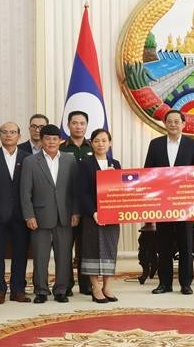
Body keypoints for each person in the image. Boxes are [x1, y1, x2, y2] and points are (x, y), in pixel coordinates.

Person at [145, 109, 194, 295]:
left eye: (177, 121)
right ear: (165, 123)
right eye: (169, 121)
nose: (173, 124)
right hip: (162, 204)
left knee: (186, 243)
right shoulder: (155, 145)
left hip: (185, 203)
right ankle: (165, 283)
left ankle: (186, 283)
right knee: (164, 244)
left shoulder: (192, 145)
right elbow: (148, 172)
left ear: (183, 124)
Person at [21, 124, 80, 304]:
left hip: (65, 215)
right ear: (41, 141)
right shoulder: (31, 161)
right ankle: (41, 290)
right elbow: (25, 192)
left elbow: (75, 190)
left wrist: (76, 212)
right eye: (48, 139)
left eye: (55, 139)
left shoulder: (70, 160)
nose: (51, 142)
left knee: (64, 256)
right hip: (40, 217)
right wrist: (29, 215)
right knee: (40, 256)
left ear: (60, 140)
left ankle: (61, 290)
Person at [0, 122, 31, 304]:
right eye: (5, 132)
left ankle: (18, 290)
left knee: (20, 254)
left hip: (20, 215)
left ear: (19, 135)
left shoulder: (27, 158)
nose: (8, 135)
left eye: (12, 132)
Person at [79, 129, 121, 303]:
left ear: (110, 143)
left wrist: (113, 178)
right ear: (91, 143)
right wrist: (93, 212)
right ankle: (95, 288)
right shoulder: (85, 164)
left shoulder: (116, 164)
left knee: (110, 249)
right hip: (92, 215)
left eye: (104, 140)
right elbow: (82, 192)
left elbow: (121, 190)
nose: (101, 144)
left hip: (112, 215)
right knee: (92, 249)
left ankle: (107, 287)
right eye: (97, 141)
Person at [59, 110, 93, 296]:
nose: (78, 126)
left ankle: (86, 284)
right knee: (65, 247)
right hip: (66, 204)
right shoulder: (61, 148)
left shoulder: (94, 146)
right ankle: (67, 284)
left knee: (85, 248)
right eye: (75, 123)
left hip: (87, 206)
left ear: (86, 126)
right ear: (68, 125)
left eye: (82, 123)